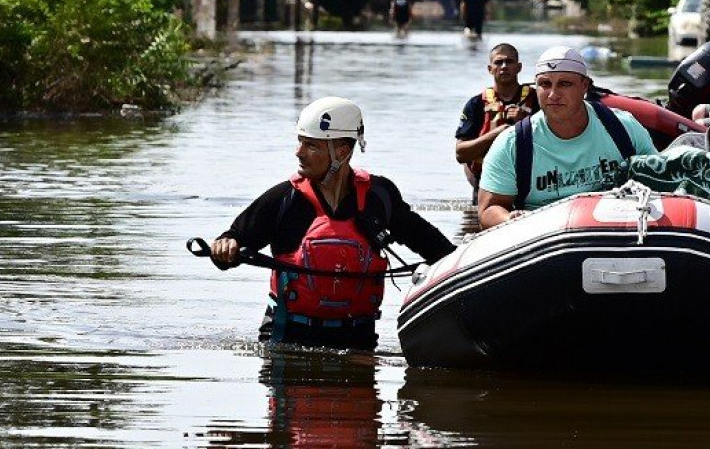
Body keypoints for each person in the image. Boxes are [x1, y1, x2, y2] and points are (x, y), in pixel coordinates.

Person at [210, 96, 456, 351]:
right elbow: (232, 240)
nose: (299, 152)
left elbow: (437, 249)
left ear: (342, 151)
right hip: (287, 337)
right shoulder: (284, 199)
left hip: (358, 340)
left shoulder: (379, 196)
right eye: (299, 142)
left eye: (311, 145)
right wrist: (225, 246)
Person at [475, 46, 653, 228]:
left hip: (616, 228)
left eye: (564, 84)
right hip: (543, 234)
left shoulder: (624, 127)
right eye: (545, 84)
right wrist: (510, 219)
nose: (553, 95)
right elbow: (488, 209)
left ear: (584, 86)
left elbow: (661, 184)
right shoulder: (511, 144)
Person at [454, 43, 539, 201]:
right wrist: (495, 135)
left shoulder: (537, 101)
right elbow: (460, 154)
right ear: (490, 69)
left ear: (519, 67)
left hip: (530, 184)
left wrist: (526, 125)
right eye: (498, 62)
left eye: (509, 61)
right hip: (487, 185)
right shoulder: (476, 104)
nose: (504, 66)